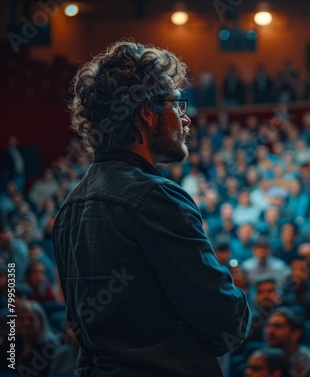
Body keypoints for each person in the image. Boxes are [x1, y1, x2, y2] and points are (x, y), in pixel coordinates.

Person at [52, 41, 251, 377]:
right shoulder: (156, 197)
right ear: (147, 113)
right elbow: (226, 321)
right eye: (177, 105)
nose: (185, 118)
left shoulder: (68, 208)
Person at [264, 308, 310, 377]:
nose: (269, 331)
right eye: (268, 325)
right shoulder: (259, 359)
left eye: (277, 326)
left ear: (295, 333)